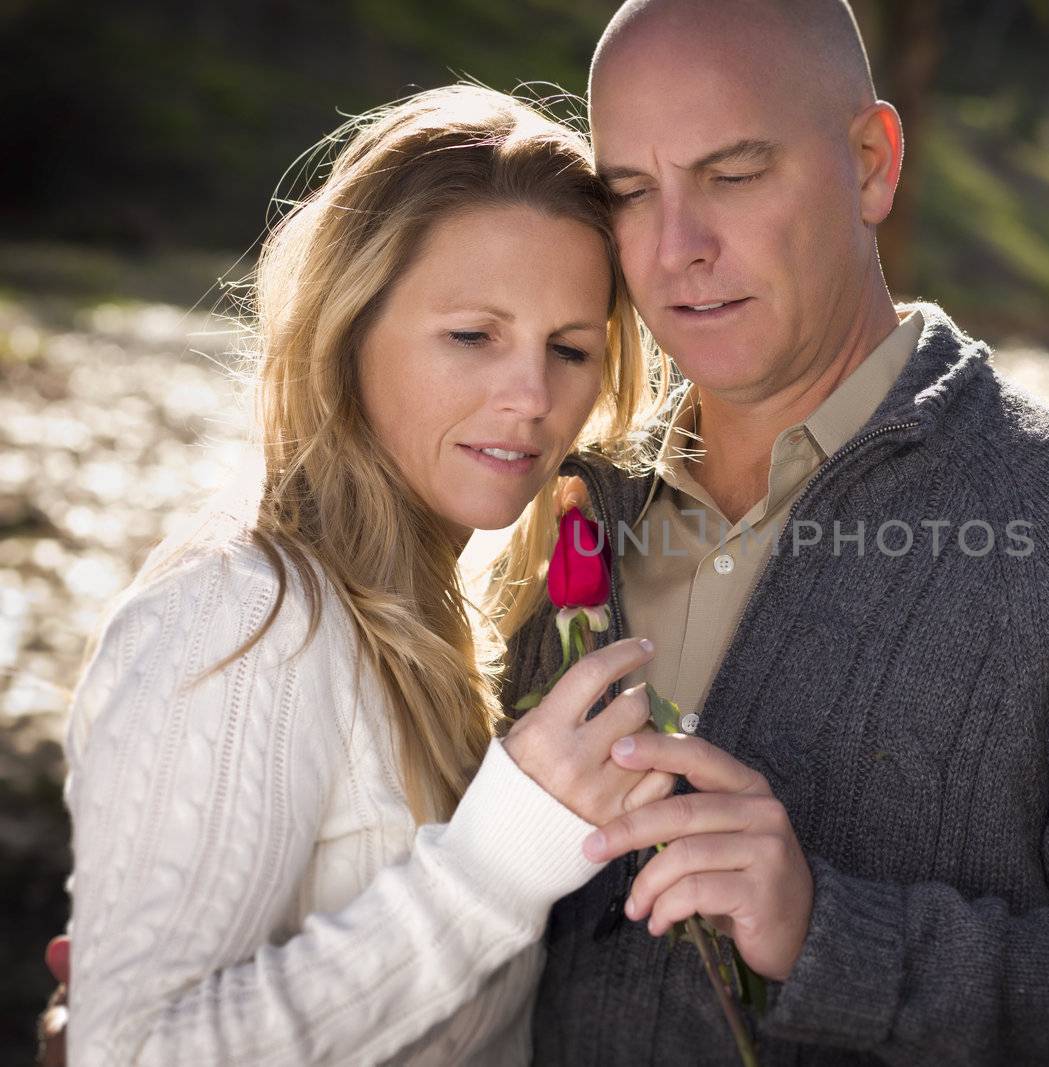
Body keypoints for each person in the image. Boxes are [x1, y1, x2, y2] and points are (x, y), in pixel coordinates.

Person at [504, 1, 1049, 1064]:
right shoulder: (569, 509)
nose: (676, 249)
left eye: (734, 175)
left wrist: (833, 935)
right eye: (631, 193)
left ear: (873, 164)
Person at [53, 84, 678, 1065]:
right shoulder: (242, 610)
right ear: (348, 324)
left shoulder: (437, 599)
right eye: (473, 334)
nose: (530, 396)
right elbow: (132, 1049)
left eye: (568, 349)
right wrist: (498, 862)